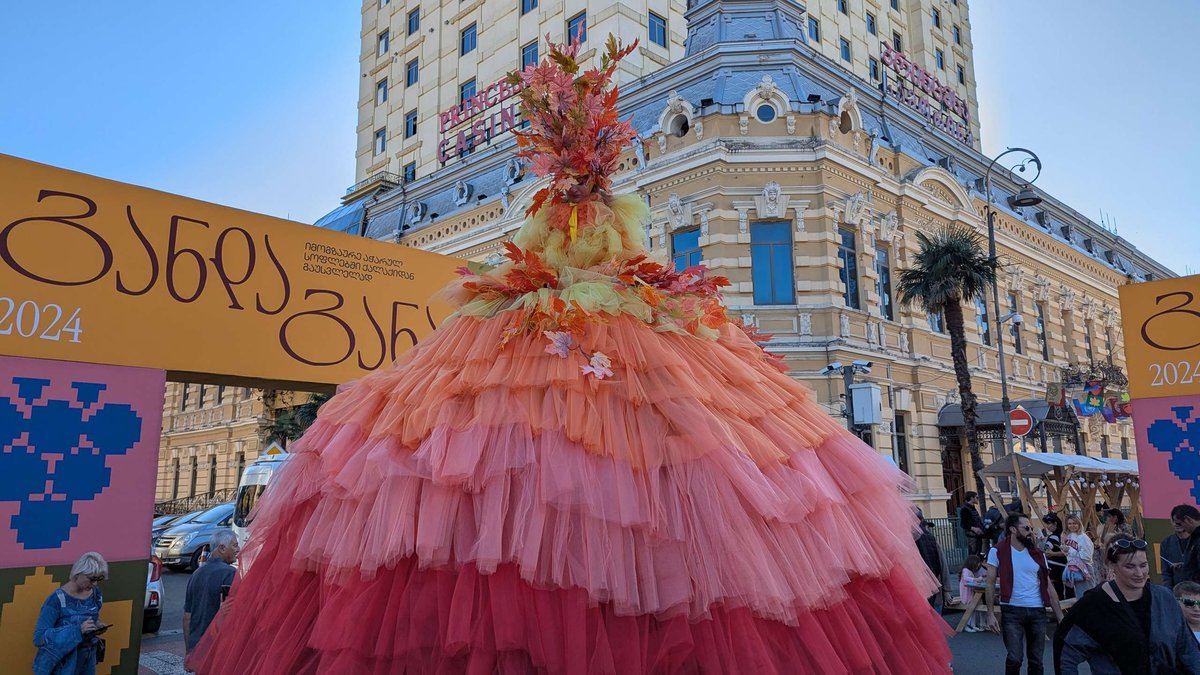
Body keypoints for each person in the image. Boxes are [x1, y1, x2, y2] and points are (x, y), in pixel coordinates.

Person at [183, 37, 955, 674]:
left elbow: (596, 257)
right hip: (576, 316)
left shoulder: (586, 227)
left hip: (593, 317)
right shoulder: (578, 226)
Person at [1054, 536, 1200, 674]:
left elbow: (1188, 649)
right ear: (1111, 565)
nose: (1139, 573)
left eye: (1143, 565)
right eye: (1130, 567)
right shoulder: (1093, 605)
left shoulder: (1164, 598)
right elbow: (1065, 654)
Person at [986, 513, 1063, 675]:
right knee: (1015, 658)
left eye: (1031, 528)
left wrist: (1060, 617)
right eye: (1026, 528)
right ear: (1013, 529)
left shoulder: (1038, 554)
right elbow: (990, 582)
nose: (1031, 532)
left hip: (1037, 610)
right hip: (1011, 610)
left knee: (1036, 661)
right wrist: (990, 613)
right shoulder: (997, 551)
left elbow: (1048, 586)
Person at [33, 551, 109, 675]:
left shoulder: (95, 594)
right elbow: (39, 638)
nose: (95, 584)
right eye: (92, 579)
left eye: (98, 579)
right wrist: (77, 631)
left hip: (88, 660)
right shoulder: (56, 600)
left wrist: (97, 626)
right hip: (64, 664)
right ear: (78, 574)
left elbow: (93, 618)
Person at [184, 530, 238, 659]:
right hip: (218, 646)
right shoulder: (230, 574)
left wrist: (189, 651)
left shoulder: (196, 574)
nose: (238, 549)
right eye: (235, 545)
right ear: (222, 548)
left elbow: (187, 616)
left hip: (197, 646)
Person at [915, 513, 947, 613]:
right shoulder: (931, 538)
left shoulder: (914, 538)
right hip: (933, 581)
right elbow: (941, 565)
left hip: (924, 582)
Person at [1163, 506, 1197, 589]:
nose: (1176, 525)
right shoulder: (1166, 543)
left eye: (1179, 523)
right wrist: (1169, 593)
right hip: (1178, 592)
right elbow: (1166, 573)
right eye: (1174, 522)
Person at [1062, 513, 1095, 598]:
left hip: (1085, 568)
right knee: (1080, 596)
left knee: (1087, 596)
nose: (1072, 526)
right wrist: (1065, 551)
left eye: (1074, 523)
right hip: (1074, 569)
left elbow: (1086, 556)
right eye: (1069, 523)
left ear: (1079, 524)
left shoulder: (1083, 537)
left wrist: (1069, 551)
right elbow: (1069, 555)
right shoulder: (1069, 536)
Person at [1172, 505, 1200, 585]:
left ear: (1188, 519)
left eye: (1179, 523)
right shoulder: (1194, 536)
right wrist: (1186, 566)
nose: (1178, 527)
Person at [1041, 513, 1067, 599]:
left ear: (1055, 523)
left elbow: (1045, 549)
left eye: (1048, 524)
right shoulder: (1063, 534)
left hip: (1055, 567)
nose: (1047, 526)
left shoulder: (1054, 536)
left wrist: (1039, 543)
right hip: (1063, 567)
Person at [959, 554, 986, 632]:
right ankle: (967, 625)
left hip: (970, 593)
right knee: (970, 608)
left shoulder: (970, 571)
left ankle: (972, 625)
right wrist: (976, 579)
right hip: (966, 594)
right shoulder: (965, 570)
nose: (977, 566)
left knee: (973, 608)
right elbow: (966, 578)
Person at [960, 491, 985, 555]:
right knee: (973, 553)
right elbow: (963, 523)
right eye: (976, 497)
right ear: (972, 498)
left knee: (977, 553)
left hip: (977, 535)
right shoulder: (965, 509)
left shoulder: (972, 508)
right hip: (972, 536)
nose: (978, 499)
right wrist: (974, 529)